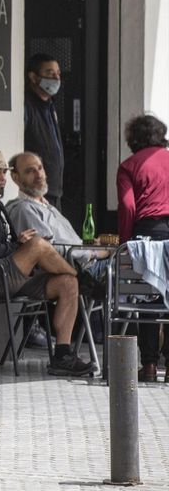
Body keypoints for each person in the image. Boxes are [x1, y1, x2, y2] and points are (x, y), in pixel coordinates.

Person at [0, 150, 95, 376]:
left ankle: (62, 355)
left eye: (4, 173)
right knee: (38, 245)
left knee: (67, 283)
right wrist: (20, 246)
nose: (3, 178)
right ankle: (84, 278)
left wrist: (17, 243)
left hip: (6, 276)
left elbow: (4, 244)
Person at [6, 152, 109, 290]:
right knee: (132, 263)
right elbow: (49, 250)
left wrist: (91, 244)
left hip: (88, 263)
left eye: (40, 168)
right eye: (30, 171)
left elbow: (66, 242)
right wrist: (95, 252)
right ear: (16, 177)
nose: (38, 175)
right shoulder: (23, 209)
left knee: (131, 254)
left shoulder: (47, 206)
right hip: (83, 271)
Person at [116, 114, 169, 381]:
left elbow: (128, 206)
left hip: (147, 234)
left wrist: (125, 242)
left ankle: (148, 365)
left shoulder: (129, 166)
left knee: (147, 296)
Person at [24, 53, 65, 209]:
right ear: (33, 77)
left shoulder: (50, 106)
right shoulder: (27, 106)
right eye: (50, 73)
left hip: (53, 188)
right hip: (34, 189)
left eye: (58, 73)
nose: (56, 78)